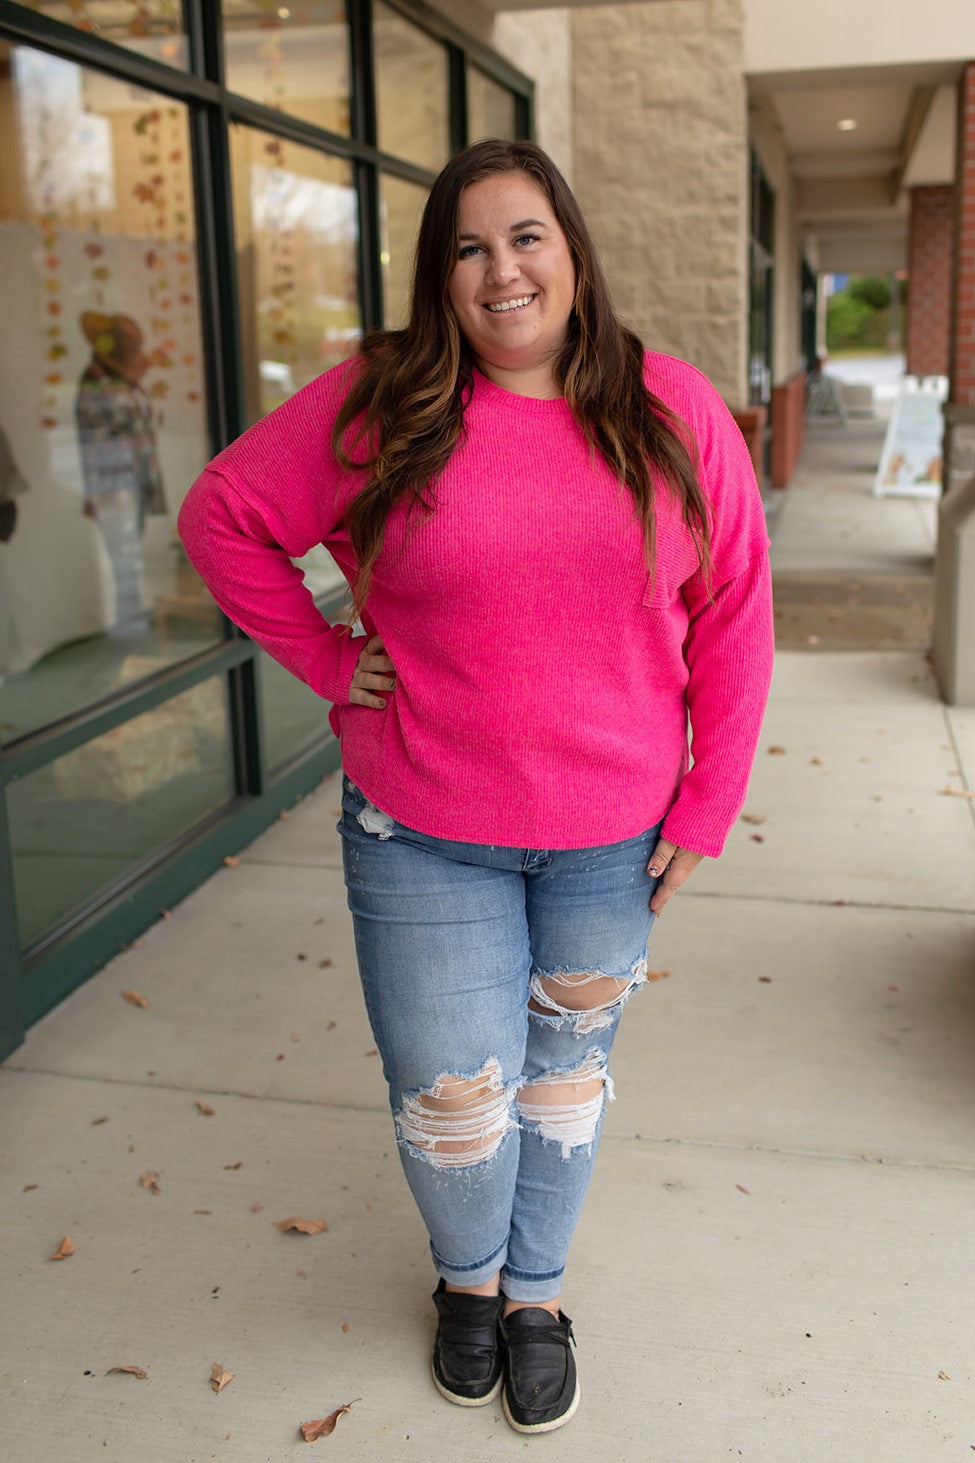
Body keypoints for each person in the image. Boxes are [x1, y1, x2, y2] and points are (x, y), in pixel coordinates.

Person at [178, 138, 773, 1436]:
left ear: (570, 251)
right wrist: (335, 659)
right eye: (465, 246)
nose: (498, 268)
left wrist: (705, 804)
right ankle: (467, 1275)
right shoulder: (384, 403)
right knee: (452, 1092)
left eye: (523, 237)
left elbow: (733, 613)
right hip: (421, 830)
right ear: (439, 276)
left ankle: (536, 1296)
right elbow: (225, 515)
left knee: (562, 1080)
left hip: (609, 836)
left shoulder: (668, 409)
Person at [76, 311, 167, 627]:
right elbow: (97, 439)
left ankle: (131, 617)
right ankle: (127, 622)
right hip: (114, 483)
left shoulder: (124, 381)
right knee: (123, 557)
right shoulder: (96, 380)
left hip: (135, 480)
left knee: (131, 554)